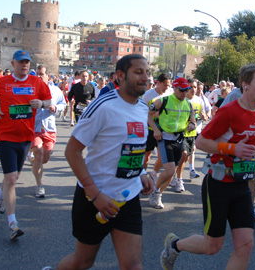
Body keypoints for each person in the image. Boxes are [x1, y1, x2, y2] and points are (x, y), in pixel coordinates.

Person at [160, 64, 255, 270]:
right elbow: (202, 142)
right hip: (219, 184)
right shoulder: (229, 111)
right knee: (212, 246)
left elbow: (247, 142)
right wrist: (232, 149)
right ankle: (174, 245)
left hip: (242, 185)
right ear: (245, 85)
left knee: (246, 244)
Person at [47, 54, 153, 270]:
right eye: (138, 72)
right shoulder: (103, 106)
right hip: (94, 198)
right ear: (121, 76)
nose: (145, 78)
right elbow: (72, 152)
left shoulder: (143, 109)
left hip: (128, 199)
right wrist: (95, 194)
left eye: (147, 72)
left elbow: (131, 148)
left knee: (133, 266)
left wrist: (140, 173)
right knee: (82, 262)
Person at [0, 50, 51, 240]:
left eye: (27, 62)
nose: (25, 65)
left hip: (25, 137)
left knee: (14, 176)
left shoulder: (37, 82)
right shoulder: (1, 83)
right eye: (21, 62)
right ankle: (13, 223)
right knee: (12, 179)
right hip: (5, 136)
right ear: (13, 63)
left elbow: (48, 100)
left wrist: (42, 104)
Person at [148, 77, 196, 209]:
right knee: (169, 171)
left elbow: (193, 120)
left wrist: (192, 125)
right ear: (174, 88)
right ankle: (155, 191)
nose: (183, 93)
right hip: (164, 138)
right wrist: (155, 130)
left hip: (179, 139)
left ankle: (157, 194)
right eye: (181, 90)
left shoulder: (188, 104)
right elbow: (148, 114)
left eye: (186, 90)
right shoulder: (163, 100)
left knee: (172, 172)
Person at [31, 66, 66, 198]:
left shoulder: (55, 90)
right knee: (39, 154)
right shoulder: (31, 90)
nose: (39, 76)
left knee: (44, 157)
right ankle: (39, 185)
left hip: (49, 128)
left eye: (42, 74)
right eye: (37, 74)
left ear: (48, 76)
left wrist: (56, 107)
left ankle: (35, 163)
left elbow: (63, 103)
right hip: (35, 128)